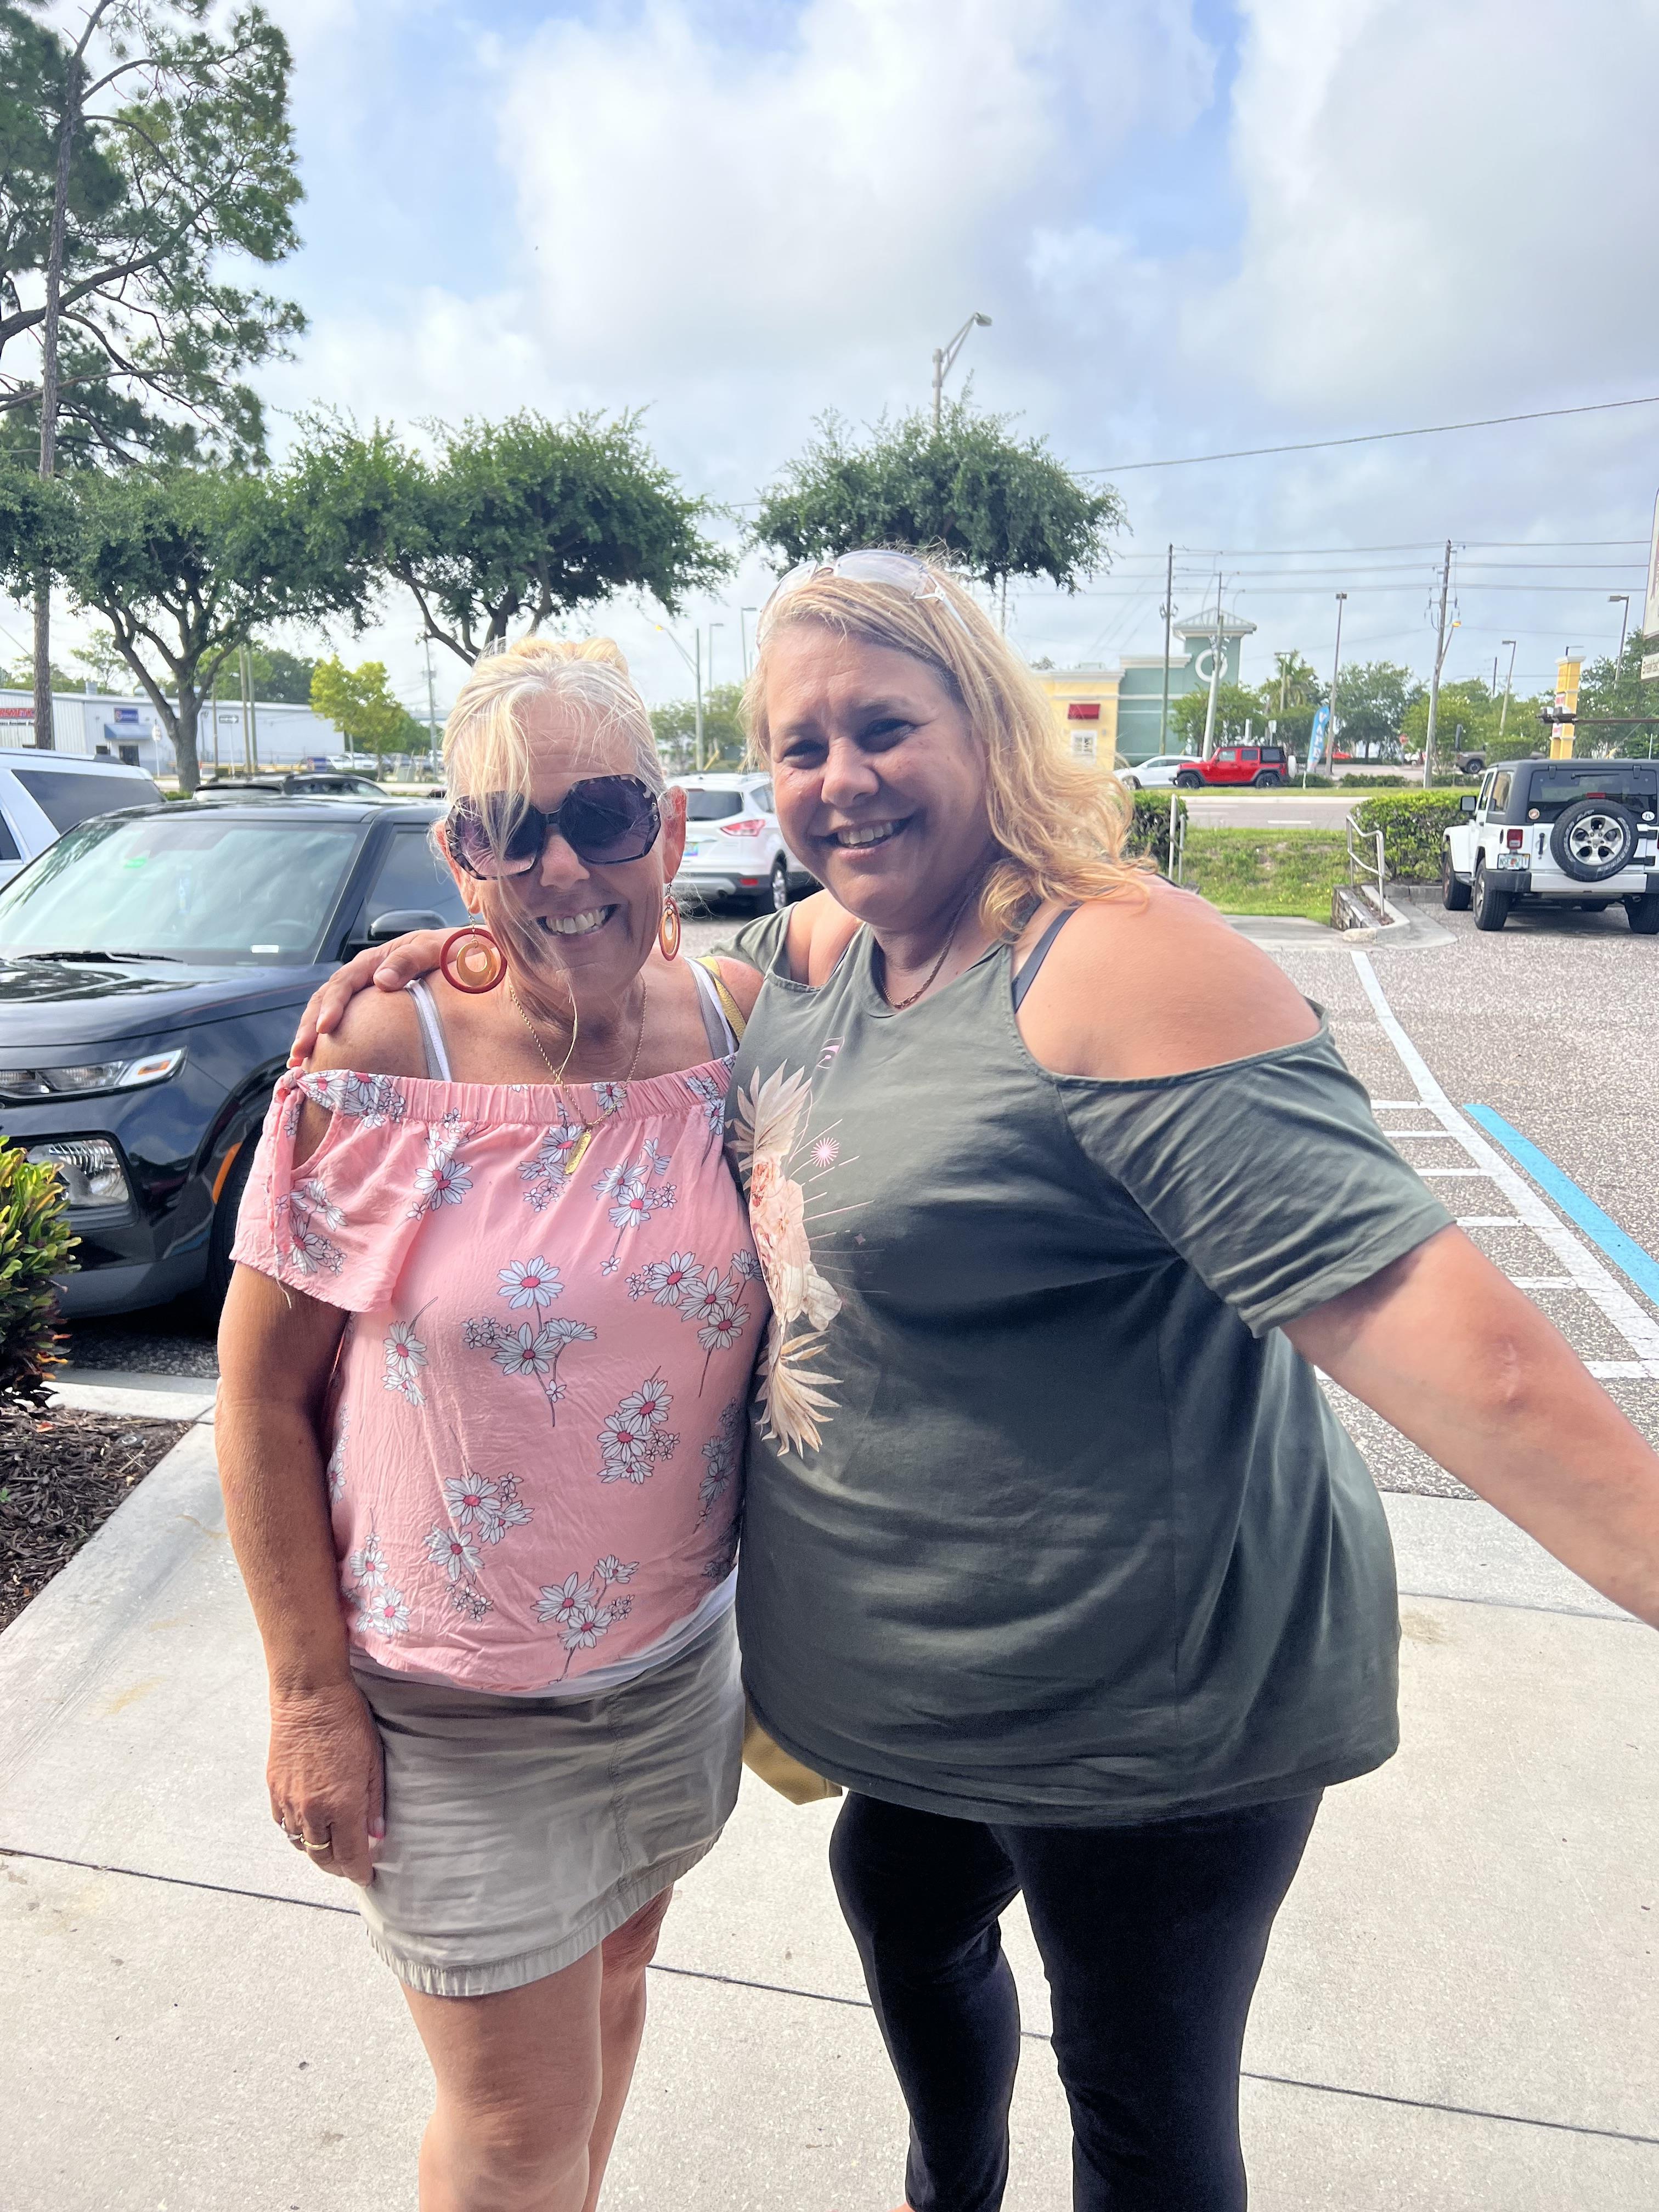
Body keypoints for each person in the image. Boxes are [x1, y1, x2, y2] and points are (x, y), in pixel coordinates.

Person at [297, 554, 1659, 2212]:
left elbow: (1464, 1355)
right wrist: (474, 953)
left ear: (993, 731)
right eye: (800, 746)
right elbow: (621, 984)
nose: (840, 779)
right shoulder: (813, 958)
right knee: (904, 1902)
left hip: (1147, 1714)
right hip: (934, 1713)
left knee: (1143, 2120)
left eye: (885, 726)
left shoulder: (1118, 963)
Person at [216, 636, 768, 2212]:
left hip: (670, 1675)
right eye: (505, 827)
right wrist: (309, 1699)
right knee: (514, 2135)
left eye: (601, 813)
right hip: (448, 1714)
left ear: (667, 826)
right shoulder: (385, 1057)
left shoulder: (730, 1026)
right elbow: (254, 1397)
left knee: (608, 1998)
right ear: (458, 857)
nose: (561, 865)